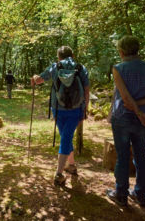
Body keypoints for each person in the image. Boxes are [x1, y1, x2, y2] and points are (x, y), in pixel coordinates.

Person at [106, 35, 145, 207]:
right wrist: (140, 110)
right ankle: (141, 194)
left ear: (121, 52)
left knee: (123, 156)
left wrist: (135, 108)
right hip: (142, 120)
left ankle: (121, 194)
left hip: (123, 118)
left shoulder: (118, 68)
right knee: (141, 155)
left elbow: (124, 97)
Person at [31, 46, 90, 186]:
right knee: (66, 136)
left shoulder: (55, 67)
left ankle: (59, 174)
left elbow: (39, 80)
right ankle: (71, 165)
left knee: (65, 137)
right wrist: (84, 109)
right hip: (75, 109)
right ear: (73, 55)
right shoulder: (81, 68)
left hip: (58, 108)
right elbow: (86, 91)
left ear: (59, 57)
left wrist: (34, 77)